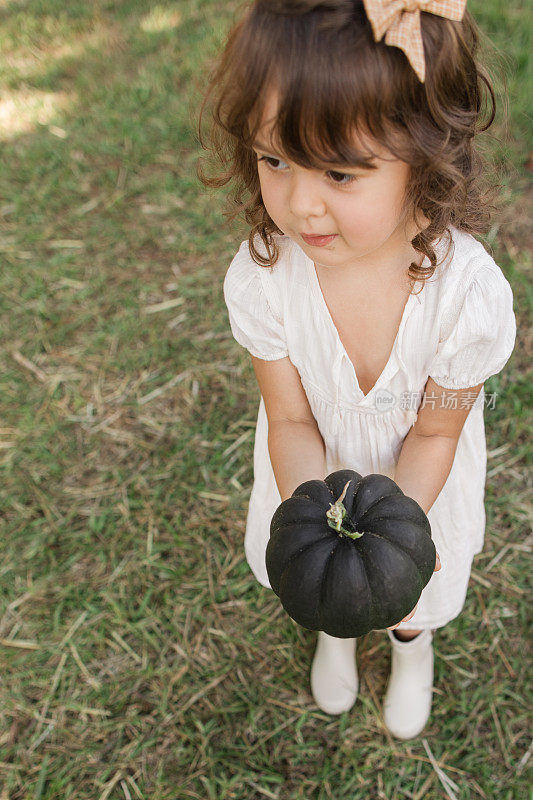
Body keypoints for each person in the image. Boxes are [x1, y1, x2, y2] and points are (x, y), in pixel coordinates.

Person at [198, 0, 517, 739]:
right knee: (331, 587)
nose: (300, 201)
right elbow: (289, 418)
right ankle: (332, 631)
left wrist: (394, 547)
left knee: (407, 601)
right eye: (274, 158)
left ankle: (412, 652)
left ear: (425, 154)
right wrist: (320, 536)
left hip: (417, 485)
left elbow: (435, 435)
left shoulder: (464, 297)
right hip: (313, 472)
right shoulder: (265, 276)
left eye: (339, 173)